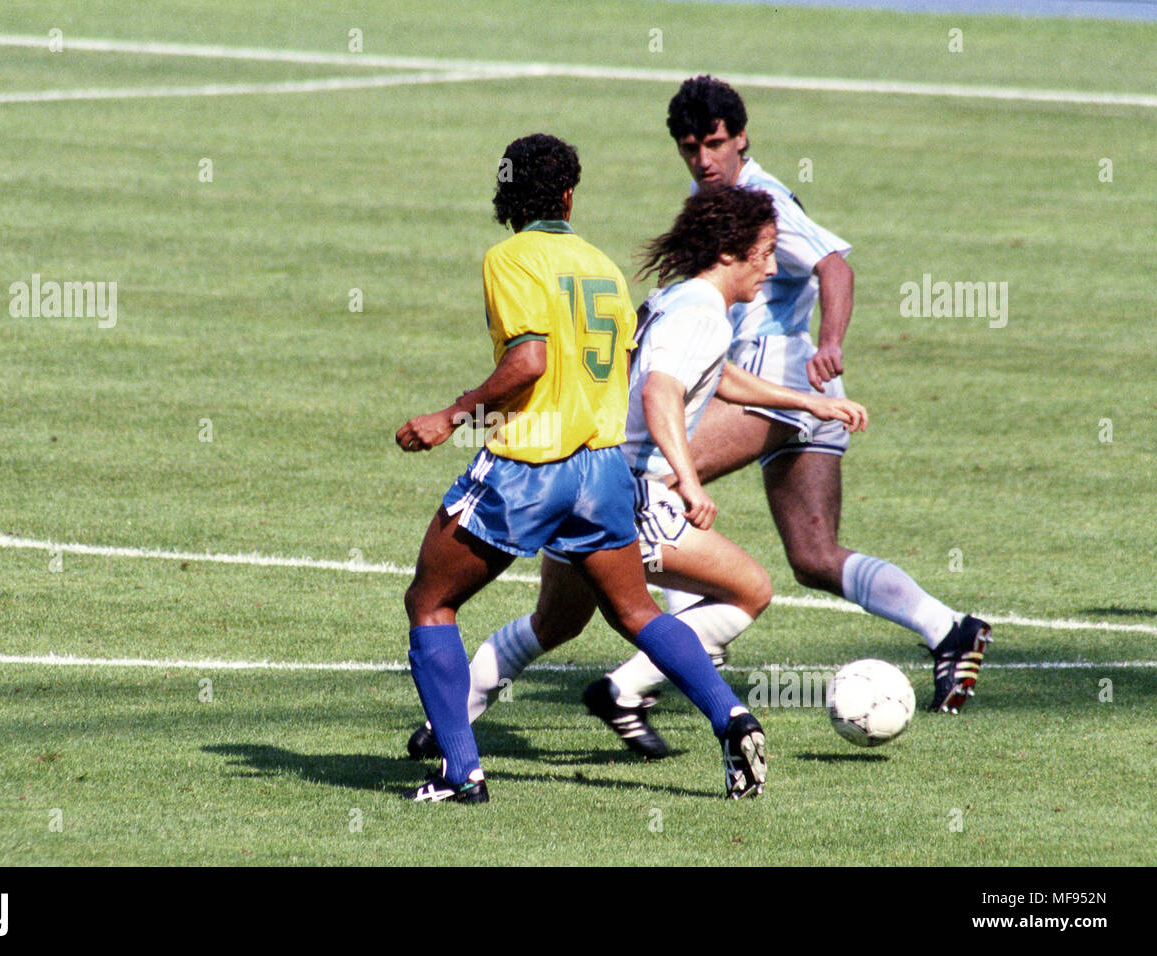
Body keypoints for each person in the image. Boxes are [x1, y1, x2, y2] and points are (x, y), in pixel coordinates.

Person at [407, 184, 868, 761]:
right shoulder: (701, 313)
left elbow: (714, 375)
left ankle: (446, 726)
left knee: (557, 622)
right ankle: (630, 691)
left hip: (580, 468)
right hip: (626, 488)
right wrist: (690, 480)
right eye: (766, 251)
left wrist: (809, 403)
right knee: (747, 589)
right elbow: (660, 392)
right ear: (730, 251)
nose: (772, 267)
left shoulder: (681, 301)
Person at [397, 134, 767, 803]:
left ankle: (460, 774)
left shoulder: (509, 257)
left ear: (506, 195)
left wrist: (453, 414)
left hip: (531, 463)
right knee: (634, 609)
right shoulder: (600, 265)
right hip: (602, 469)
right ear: (568, 195)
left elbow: (529, 361)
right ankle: (732, 717)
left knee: (431, 600)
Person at [650, 75, 990, 723]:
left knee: (654, 479)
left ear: (742, 137)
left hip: (778, 383)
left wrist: (830, 340)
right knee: (812, 556)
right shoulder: (712, 194)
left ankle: (689, 642)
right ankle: (950, 628)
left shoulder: (760, 197)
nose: (704, 160)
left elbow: (835, 265)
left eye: (715, 144)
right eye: (691, 148)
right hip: (806, 395)